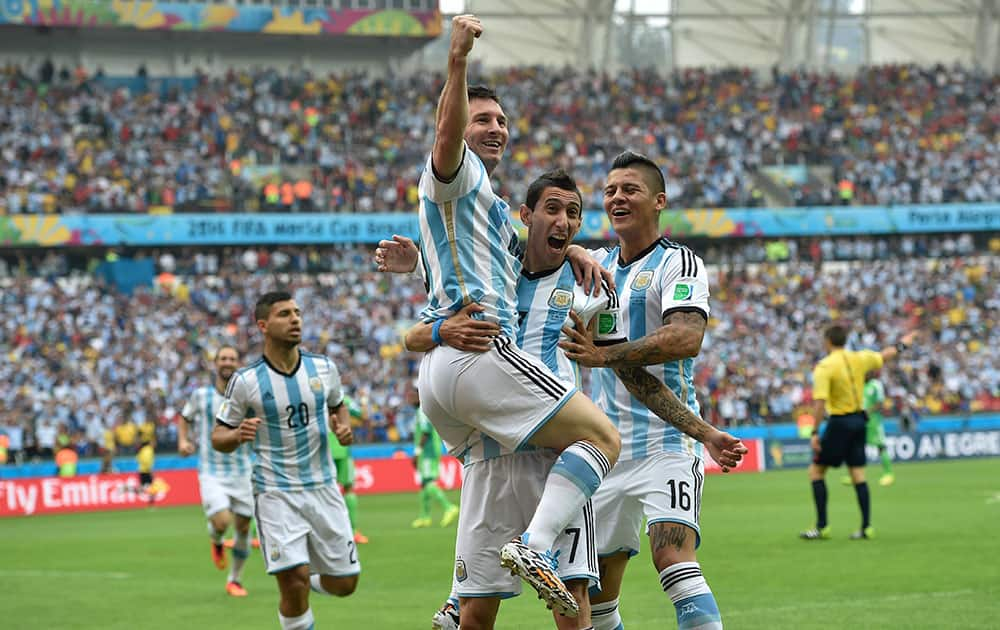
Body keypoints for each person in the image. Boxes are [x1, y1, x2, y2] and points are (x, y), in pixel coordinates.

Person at [398, 169, 744, 630]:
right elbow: (436, 311)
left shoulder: (625, 274)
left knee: (642, 572)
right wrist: (422, 267)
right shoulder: (540, 273)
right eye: (610, 191)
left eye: (574, 213)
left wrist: (702, 432)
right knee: (576, 603)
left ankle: (520, 554)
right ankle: (462, 593)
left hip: (612, 449)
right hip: (547, 455)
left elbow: (651, 352)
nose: (616, 198)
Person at [386, 13, 621, 618]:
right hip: (482, 360)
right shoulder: (458, 174)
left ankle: (457, 599)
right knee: (602, 438)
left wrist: (568, 245)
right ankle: (536, 546)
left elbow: (505, 256)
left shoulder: (489, 212)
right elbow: (445, 139)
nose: (495, 128)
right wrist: (458, 60)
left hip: (454, 382)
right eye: (482, 117)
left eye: (501, 121)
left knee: (475, 613)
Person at [559, 151, 727, 630]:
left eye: (629, 189)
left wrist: (605, 356)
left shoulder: (679, 263)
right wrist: (571, 249)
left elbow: (685, 338)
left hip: (666, 443)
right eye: (610, 190)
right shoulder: (596, 269)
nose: (616, 198)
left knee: (671, 557)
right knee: (597, 593)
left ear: (659, 201)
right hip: (605, 448)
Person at [213, 291, 359, 630]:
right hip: (275, 492)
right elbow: (218, 436)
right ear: (263, 325)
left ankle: (309, 579)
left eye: (297, 312)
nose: (295, 319)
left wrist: (344, 426)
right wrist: (237, 435)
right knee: (292, 583)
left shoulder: (323, 368)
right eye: (284, 314)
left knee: (345, 584)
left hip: (323, 488)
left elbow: (338, 404)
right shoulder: (246, 381)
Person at [800, 324, 916, 541]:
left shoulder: (825, 367)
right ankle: (866, 527)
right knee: (858, 475)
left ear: (827, 341)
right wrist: (903, 345)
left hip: (840, 422)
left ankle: (822, 526)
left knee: (816, 472)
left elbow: (819, 403)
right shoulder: (860, 358)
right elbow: (885, 355)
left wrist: (815, 432)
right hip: (859, 420)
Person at [178, 345, 255, 597]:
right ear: (215, 363)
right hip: (211, 471)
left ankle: (235, 579)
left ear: (238, 363)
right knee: (223, 521)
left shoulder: (248, 397)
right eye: (223, 358)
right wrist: (183, 441)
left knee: (244, 528)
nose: (227, 362)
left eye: (232, 358)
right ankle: (216, 538)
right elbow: (184, 417)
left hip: (244, 471)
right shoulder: (201, 396)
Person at [410, 391, 459, 529]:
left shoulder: (422, 411)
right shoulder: (424, 410)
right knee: (424, 484)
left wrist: (417, 452)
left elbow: (425, 432)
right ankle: (424, 517)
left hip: (428, 452)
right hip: (430, 451)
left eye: (412, 396)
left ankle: (449, 507)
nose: (409, 400)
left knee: (429, 481)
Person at [841, 370, 895, 488]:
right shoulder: (858, 385)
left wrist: (867, 413)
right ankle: (853, 475)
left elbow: (880, 403)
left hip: (874, 422)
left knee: (880, 446)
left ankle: (888, 474)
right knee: (855, 448)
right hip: (859, 421)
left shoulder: (876, 385)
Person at [329, 393, 369, 544]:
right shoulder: (343, 399)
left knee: (323, 492)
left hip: (321, 450)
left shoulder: (312, 395)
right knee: (348, 489)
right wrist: (364, 400)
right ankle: (352, 532)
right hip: (342, 447)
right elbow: (364, 417)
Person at [136, 437, 156, 507]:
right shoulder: (149, 450)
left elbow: (138, 458)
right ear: (150, 442)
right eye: (153, 442)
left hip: (141, 470)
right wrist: (150, 470)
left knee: (142, 488)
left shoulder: (142, 449)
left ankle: (126, 489)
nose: (155, 444)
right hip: (146, 471)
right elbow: (147, 461)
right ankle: (151, 503)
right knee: (152, 487)